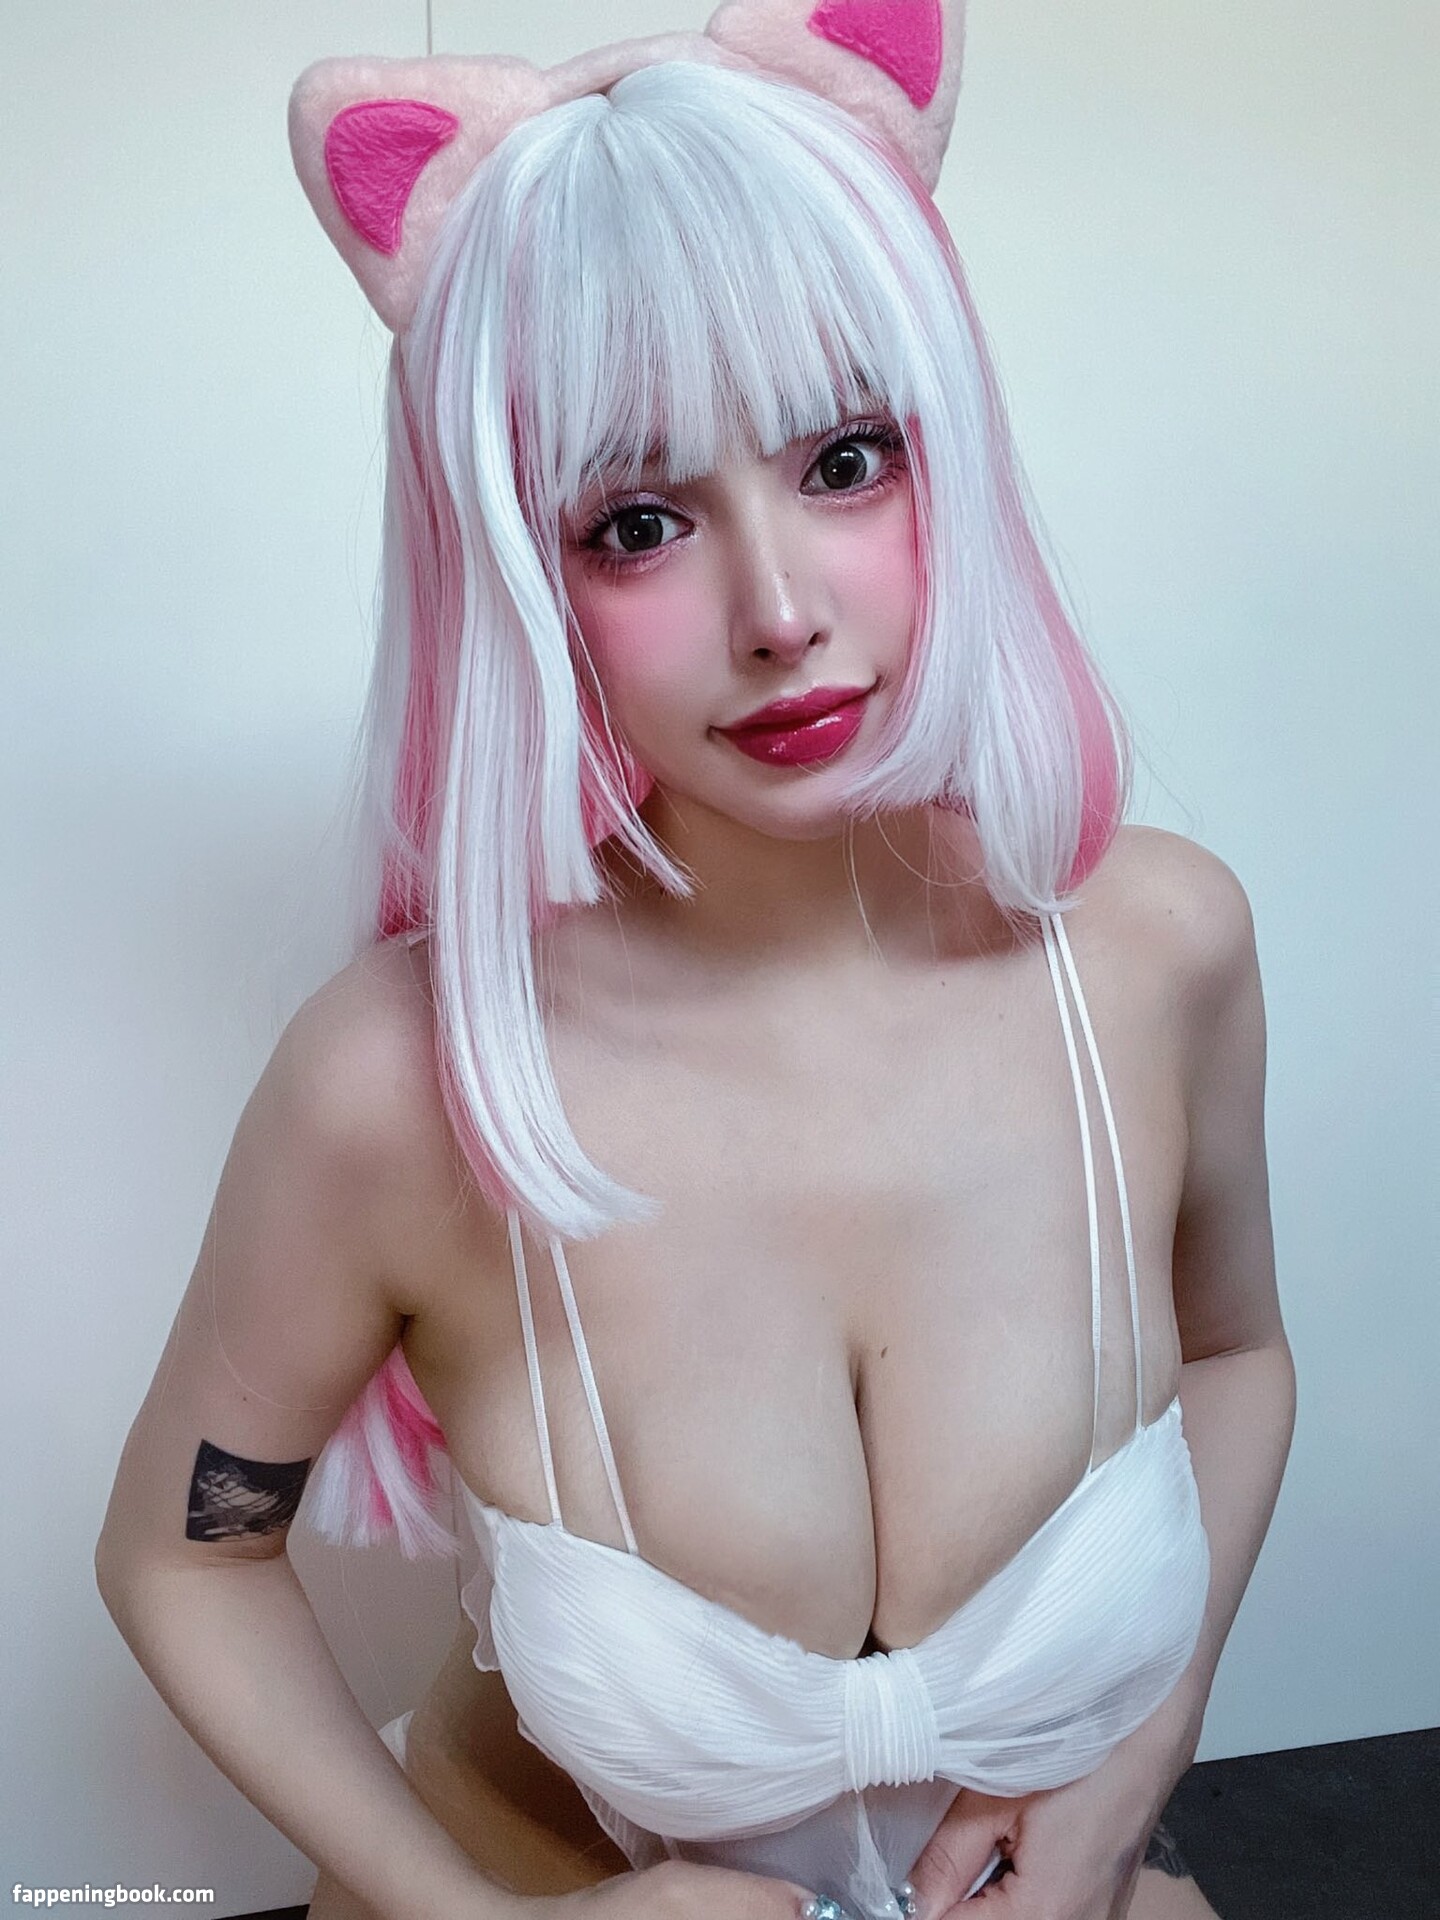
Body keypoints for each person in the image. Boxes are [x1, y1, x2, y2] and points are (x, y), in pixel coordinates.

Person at [95, 8, 1296, 1920]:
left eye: (849, 459)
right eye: (638, 523)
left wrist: (1146, 1741)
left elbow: (1235, 1355)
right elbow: (185, 1550)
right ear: (515, 570)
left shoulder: (1159, 955)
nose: (781, 610)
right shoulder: (404, 1084)